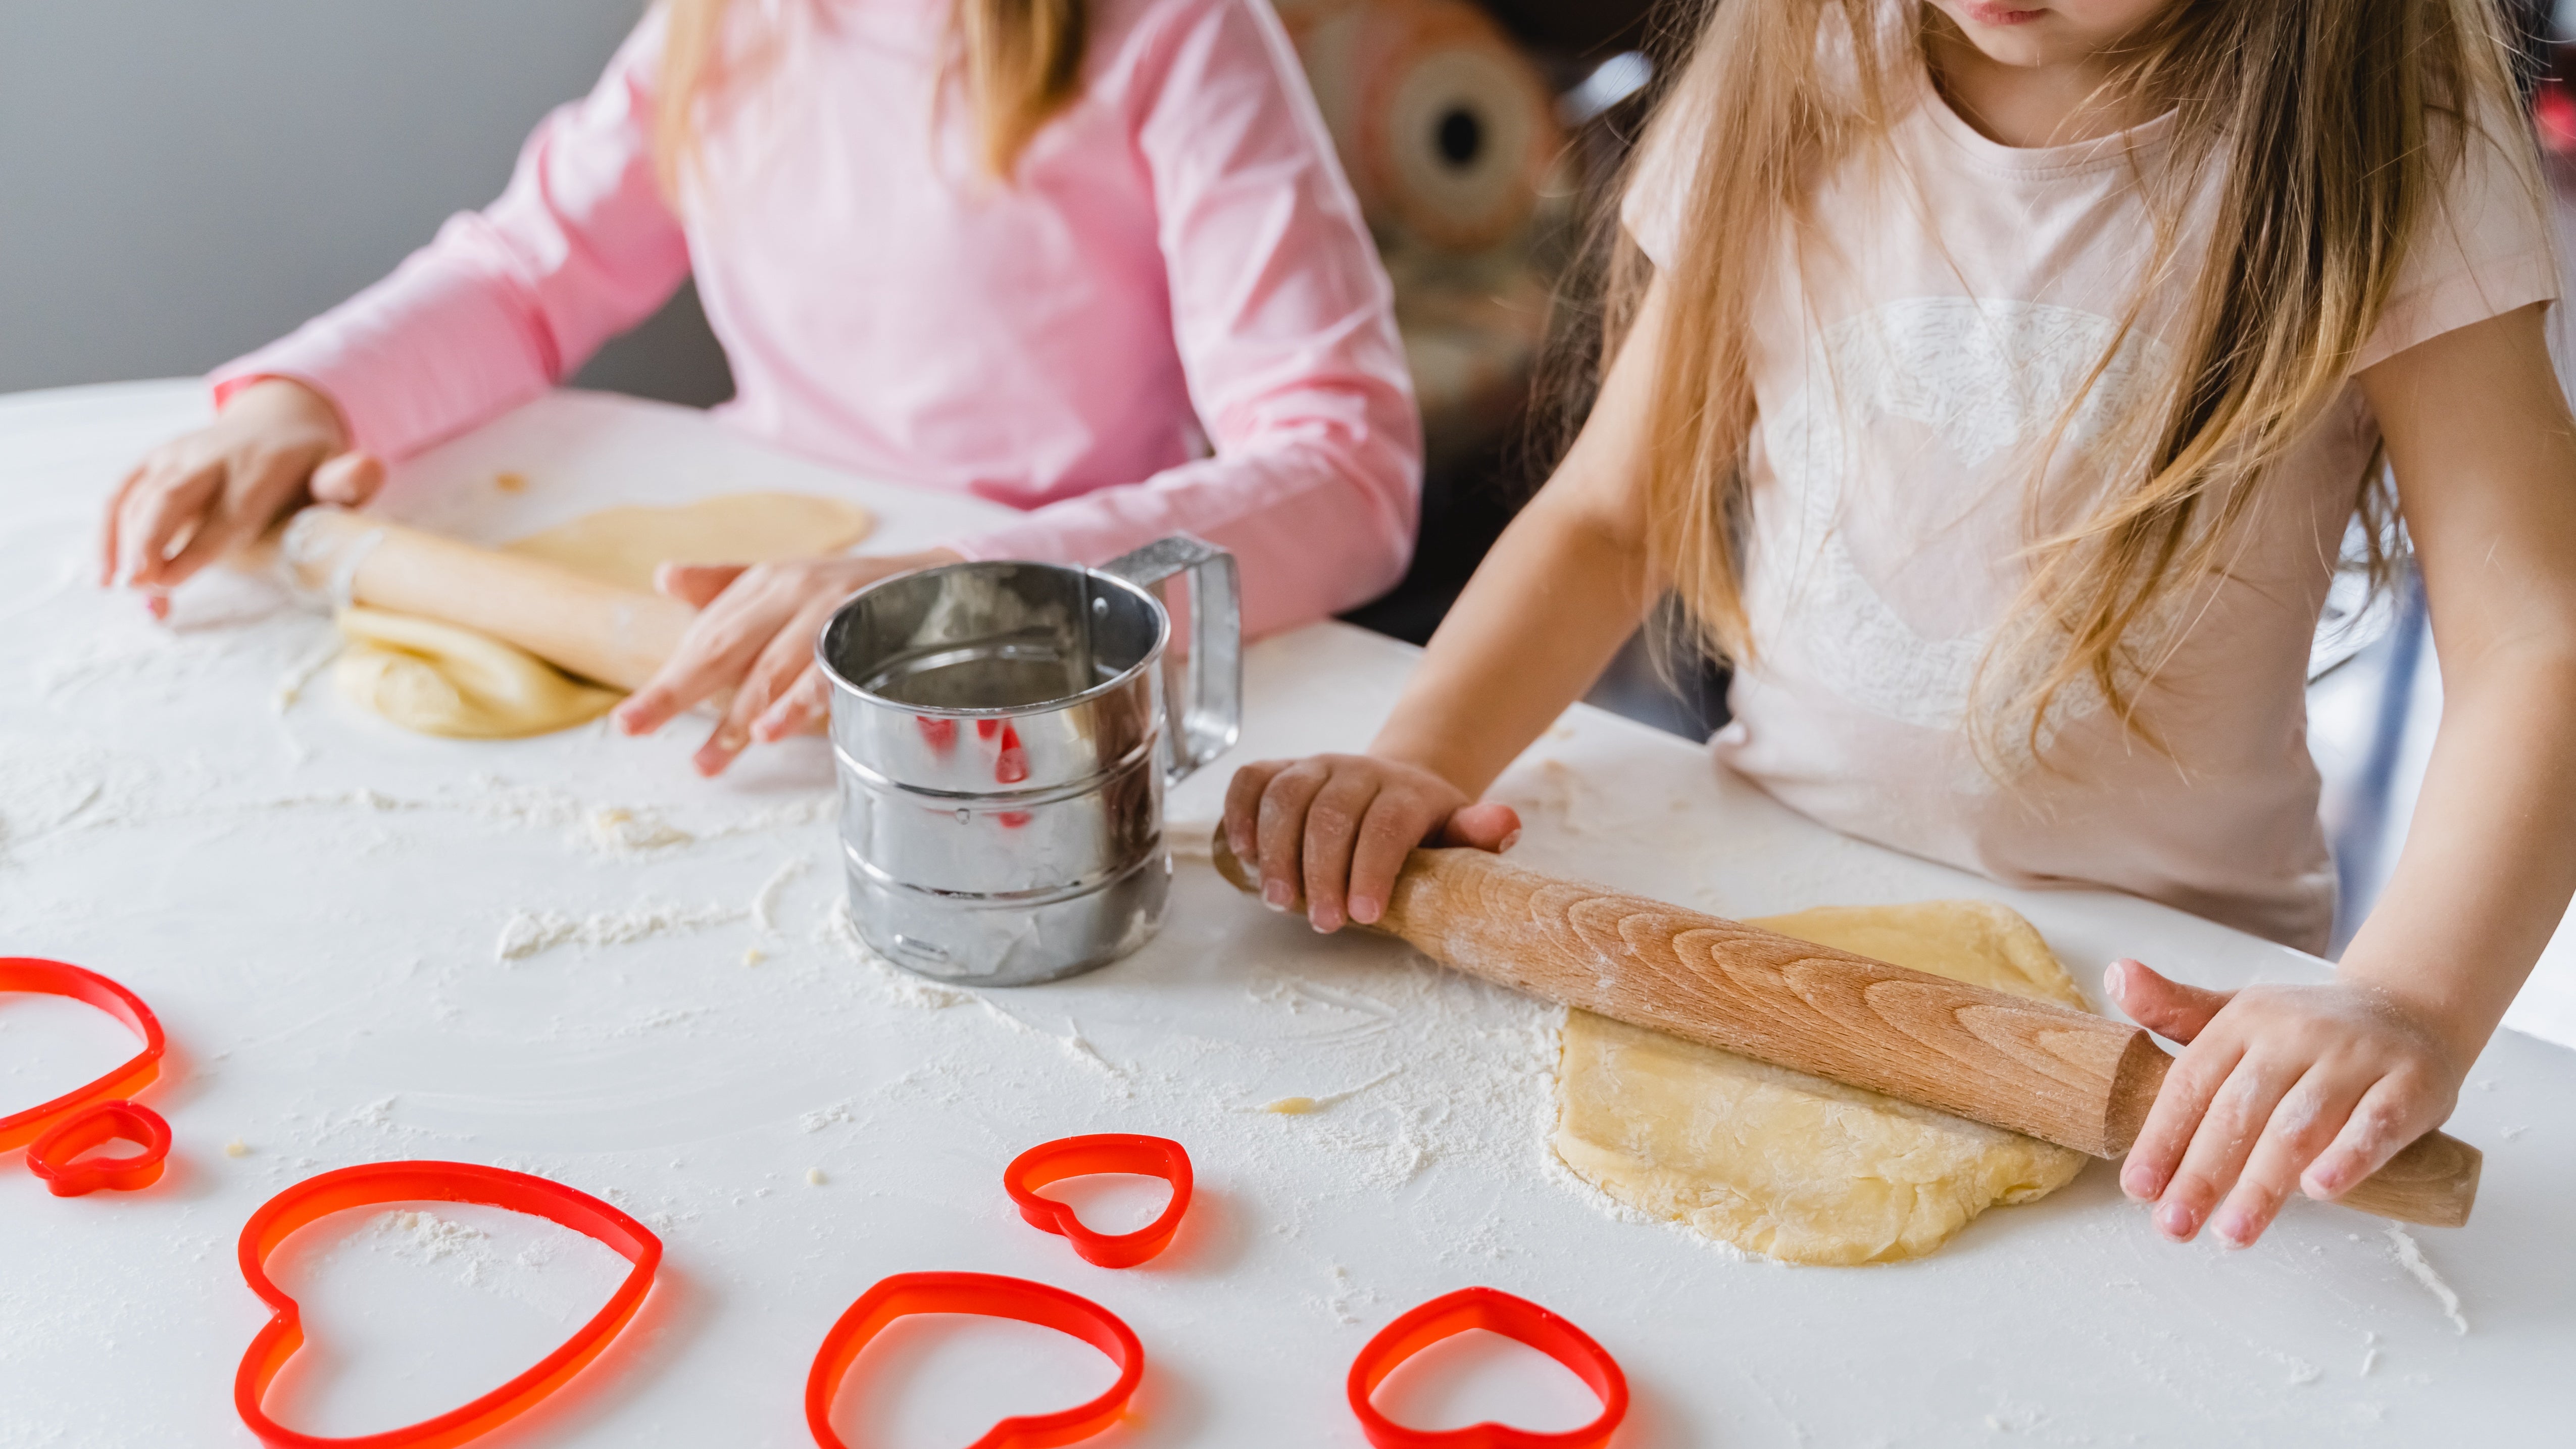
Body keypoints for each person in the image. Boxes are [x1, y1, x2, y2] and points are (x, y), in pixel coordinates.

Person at [1226, 0, 2576, 1250]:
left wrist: (2409, 1000)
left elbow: (2535, 644)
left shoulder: (2387, 142)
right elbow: (1615, 517)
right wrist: (1422, 756)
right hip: (1770, 895)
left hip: (2162, 1003)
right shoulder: (1805, 62)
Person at [100, 0, 1419, 776]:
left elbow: (1348, 469)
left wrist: (975, 587)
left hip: (1035, 676)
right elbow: (524, 272)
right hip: (759, 620)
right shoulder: (728, 16)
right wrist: (305, 404)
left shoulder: (1179, 33)